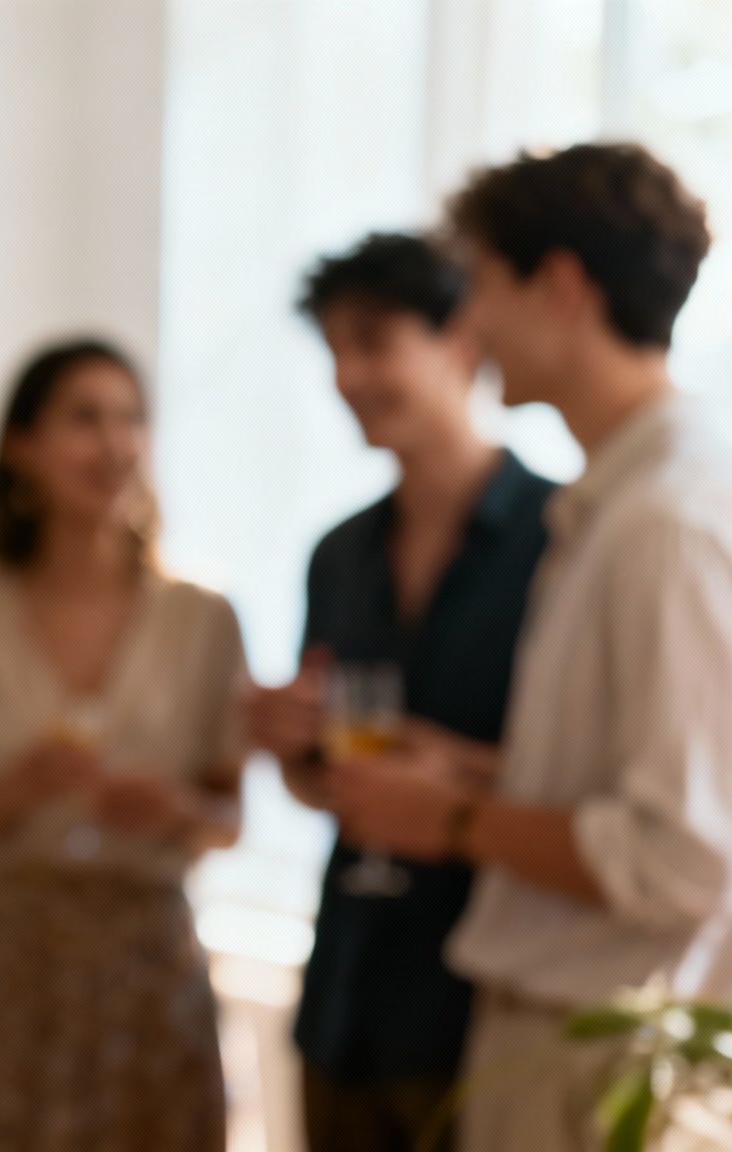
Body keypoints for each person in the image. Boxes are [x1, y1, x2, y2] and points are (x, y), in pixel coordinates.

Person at [327, 143, 730, 1151]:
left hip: (596, 1058)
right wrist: (463, 770)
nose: (470, 326)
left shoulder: (662, 520)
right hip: (560, 1043)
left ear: (558, 287)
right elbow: (631, 787)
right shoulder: (612, 505)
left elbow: (682, 854)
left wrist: (453, 818)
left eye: (481, 287)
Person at [246, 232, 557, 1152]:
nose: (348, 375)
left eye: (374, 342)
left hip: (490, 1006)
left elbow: (598, 778)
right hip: (345, 991)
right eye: (335, 349)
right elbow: (322, 783)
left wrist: (449, 776)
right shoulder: (338, 554)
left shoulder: (561, 540)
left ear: (463, 338)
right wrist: (289, 741)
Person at [0, 339, 247, 1152]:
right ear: (21, 447)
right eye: (85, 418)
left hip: (152, 967)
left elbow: (229, 820)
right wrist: (14, 790)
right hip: (14, 969)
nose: (115, 444)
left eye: (132, 419)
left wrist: (176, 810)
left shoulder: (205, 621)